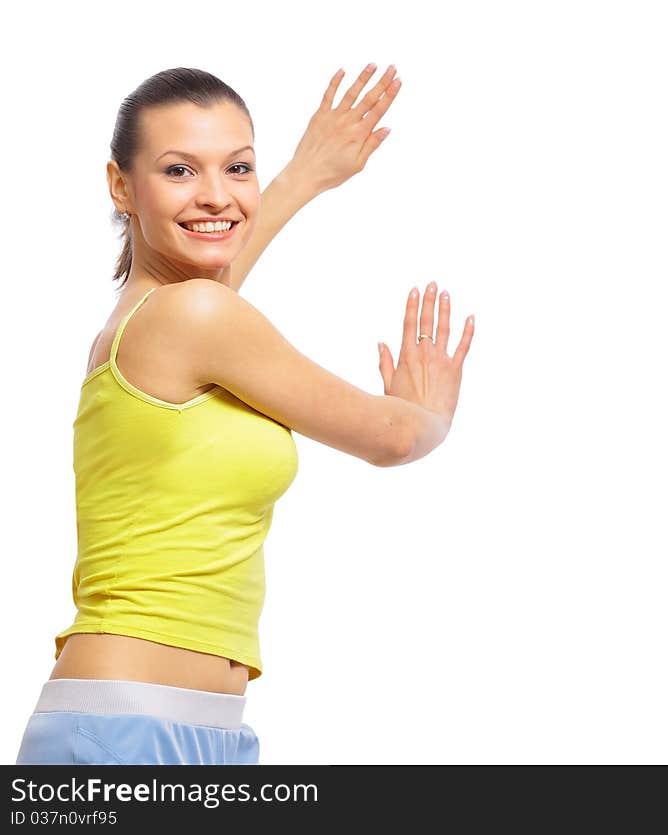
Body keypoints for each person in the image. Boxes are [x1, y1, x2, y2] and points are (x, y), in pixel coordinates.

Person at [15, 66, 474, 766]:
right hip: (122, 731)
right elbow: (394, 437)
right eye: (179, 169)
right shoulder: (191, 316)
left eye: (238, 167)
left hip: (204, 730)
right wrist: (430, 413)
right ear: (120, 186)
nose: (217, 196)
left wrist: (305, 174)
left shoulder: (165, 317)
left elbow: (210, 266)